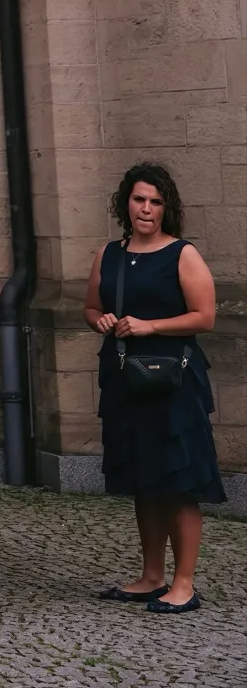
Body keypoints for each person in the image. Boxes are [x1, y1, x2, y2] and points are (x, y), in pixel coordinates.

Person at [85, 161, 222, 616]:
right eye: (139, 199)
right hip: (126, 379)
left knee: (179, 482)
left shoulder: (183, 254)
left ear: (167, 208)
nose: (146, 208)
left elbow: (205, 316)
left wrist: (150, 325)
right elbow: (91, 308)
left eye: (156, 201)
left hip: (174, 382)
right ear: (126, 202)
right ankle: (151, 577)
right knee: (144, 480)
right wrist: (101, 320)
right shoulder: (108, 254)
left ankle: (184, 584)